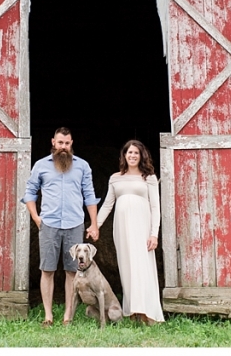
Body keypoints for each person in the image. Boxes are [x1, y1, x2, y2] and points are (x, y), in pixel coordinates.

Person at [21, 127, 100, 327]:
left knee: (72, 271)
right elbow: (30, 192)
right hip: (49, 224)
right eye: (60, 143)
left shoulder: (82, 166)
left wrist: (94, 223)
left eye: (67, 143)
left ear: (71, 143)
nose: (63, 147)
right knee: (47, 269)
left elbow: (89, 195)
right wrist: (36, 218)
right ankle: (48, 316)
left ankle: (67, 315)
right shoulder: (41, 166)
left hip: (74, 223)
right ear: (53, 143)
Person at [96, 139, 165, 325]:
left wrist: (154, 234)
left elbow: (155, 207)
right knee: (127, 267)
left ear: (141, 156)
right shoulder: (115, 178)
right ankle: (133, 310)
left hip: (142, 228)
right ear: (124, 155)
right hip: (122, 229)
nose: (132, 156)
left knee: (142, 267)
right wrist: (96, 225)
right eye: (129, 152)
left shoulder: (149, 178)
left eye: (136, 153)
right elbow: (107, 205)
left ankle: (147, 311)